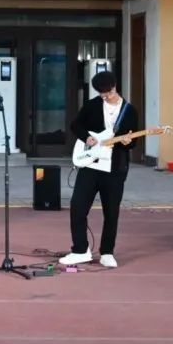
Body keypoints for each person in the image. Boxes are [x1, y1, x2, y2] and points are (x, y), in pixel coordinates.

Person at [59, 71, 140, 269]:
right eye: (103, 94)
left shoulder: (129, 110)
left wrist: (128, 142)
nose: (106, 97)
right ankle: (80, 250)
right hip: (90, 165)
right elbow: (75, 125)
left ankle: (107, 252)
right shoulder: (93, 105)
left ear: (115, 86)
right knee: (77, 206)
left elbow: (133, 142)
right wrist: (87, 137)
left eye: (109, 93)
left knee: (111, 212)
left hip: (115, 168)